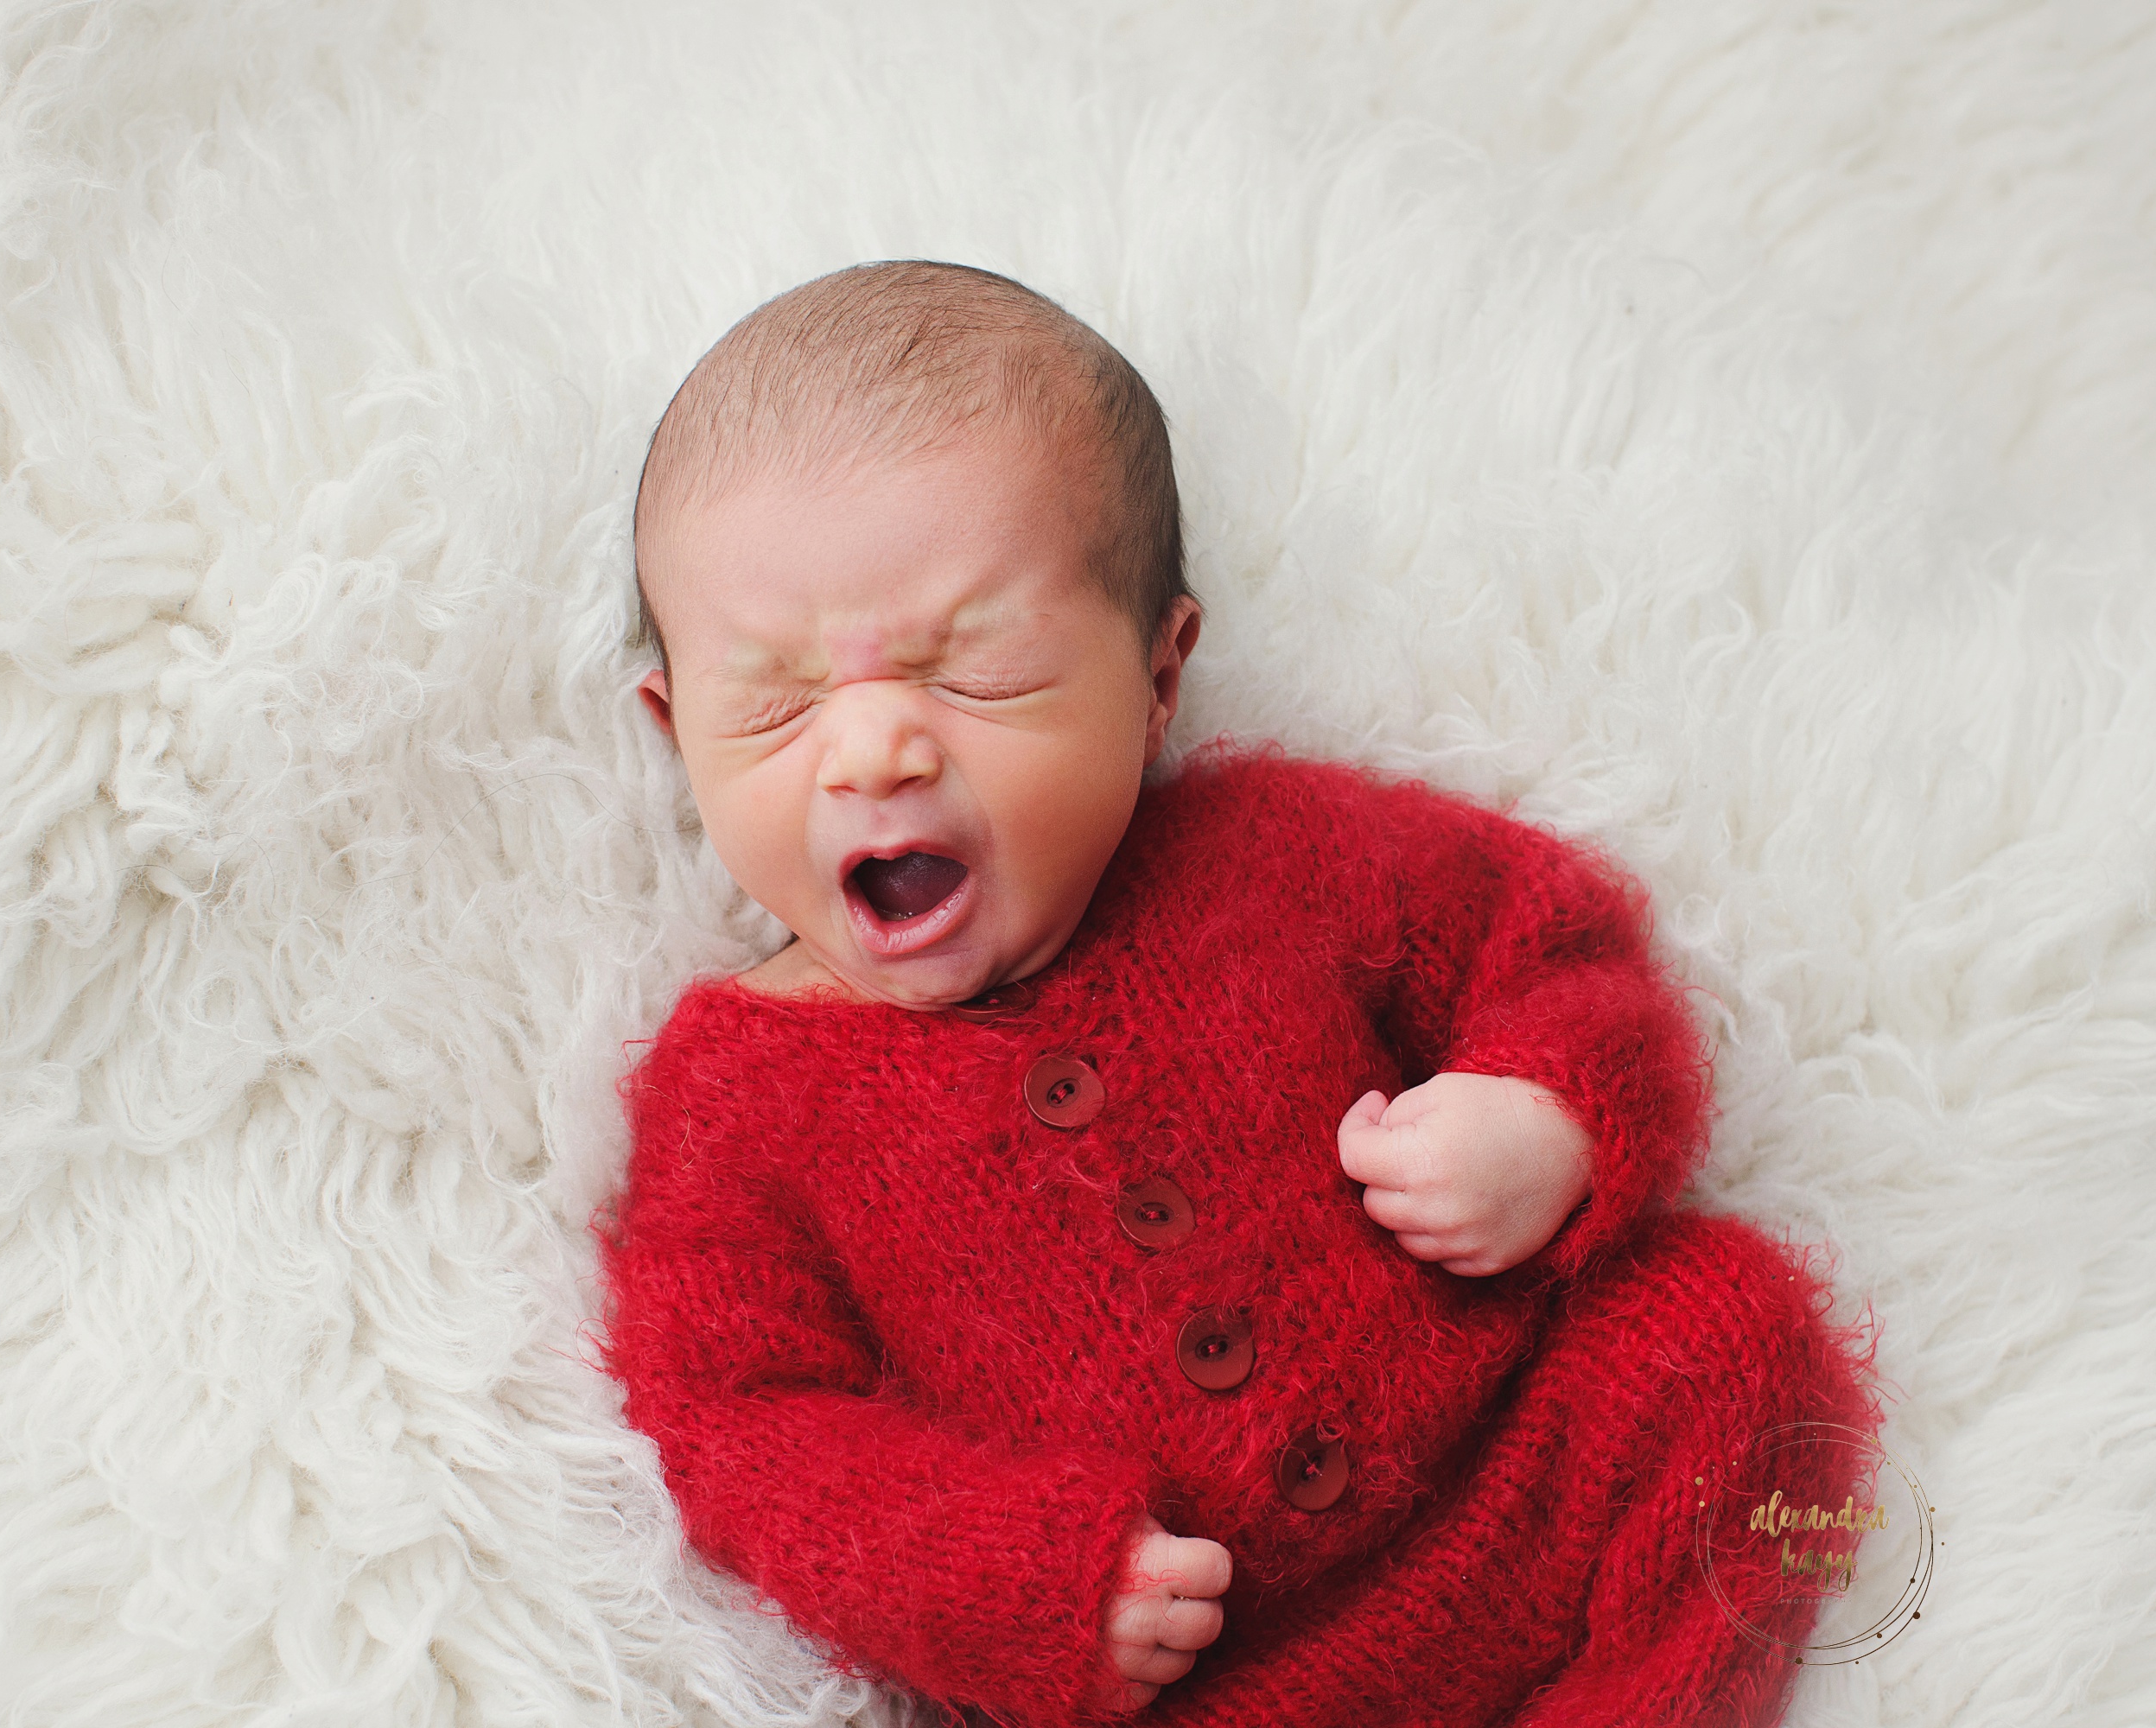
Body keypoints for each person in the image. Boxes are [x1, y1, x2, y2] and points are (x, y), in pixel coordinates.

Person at [594, 260, 1883, 1727]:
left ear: (1158, 677)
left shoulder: (1273, 852)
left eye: (982, 670)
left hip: (1519, 1470)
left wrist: (1548, 1120)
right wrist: (1019, 1576)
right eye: (772, 701)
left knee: (1740, 1338)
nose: (873, 751)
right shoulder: (737, 1095)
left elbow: (1556, 944)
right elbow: (740, 1424)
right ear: (673, 731)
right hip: (1216, 1671)